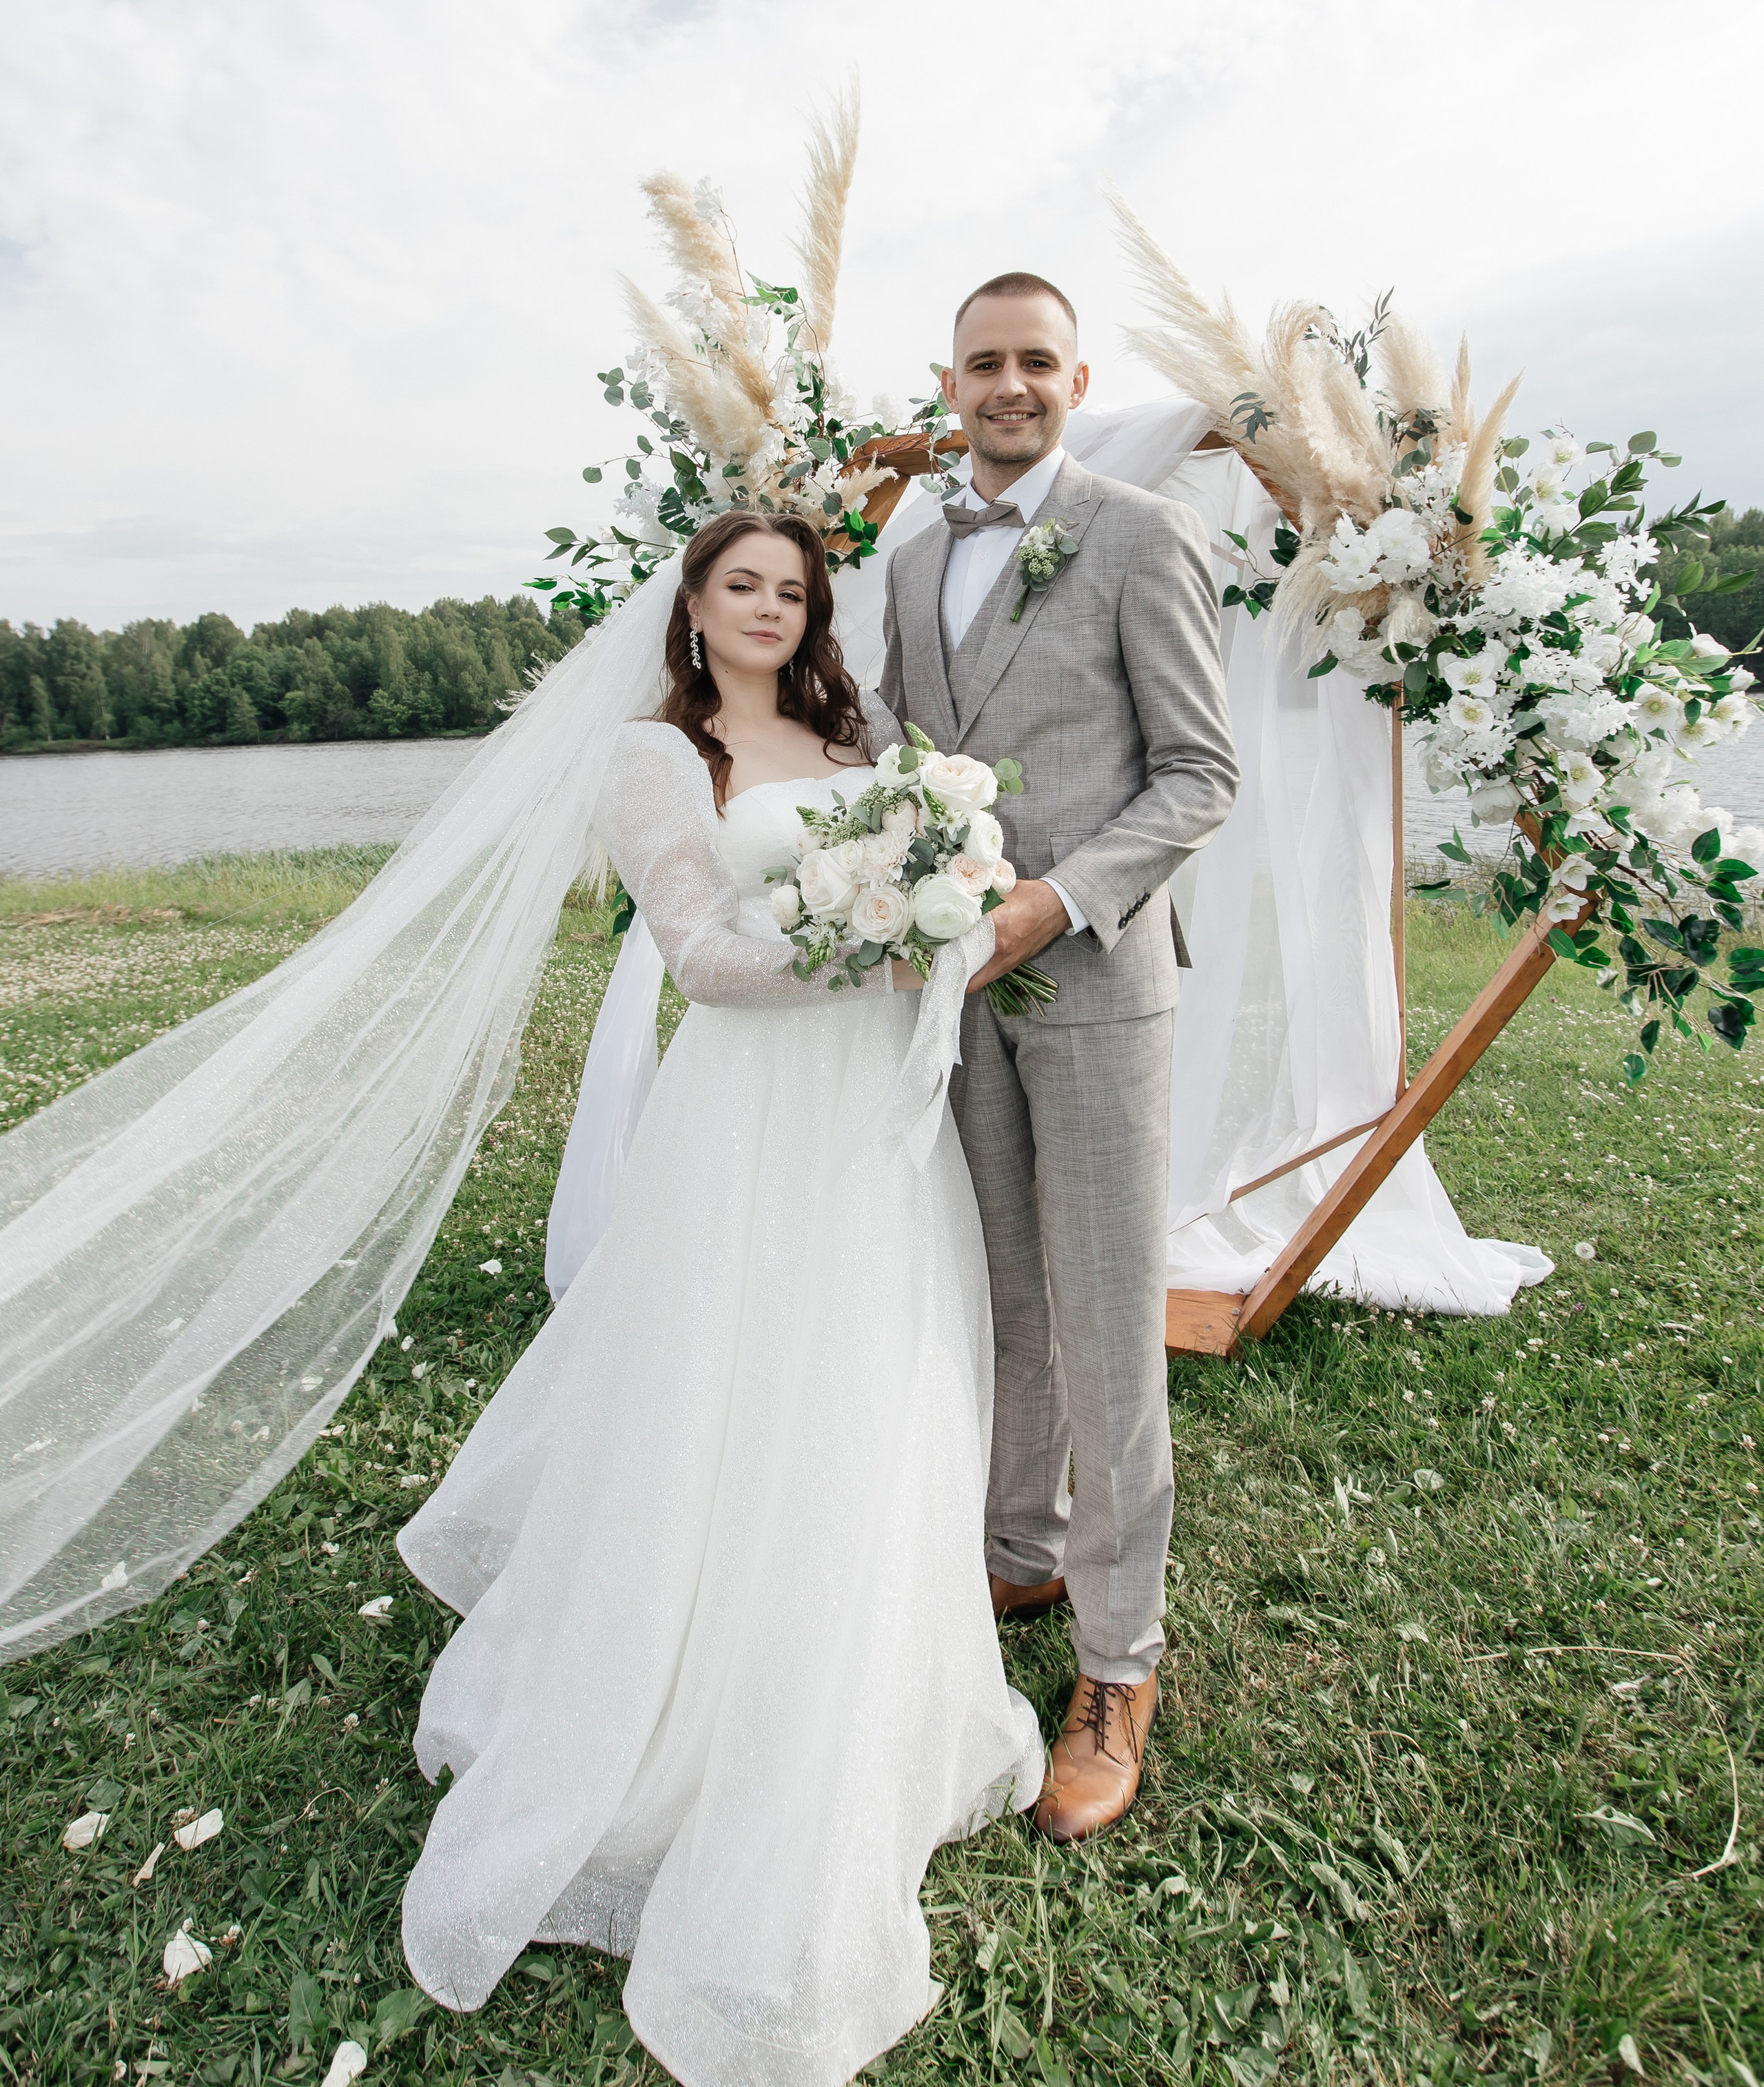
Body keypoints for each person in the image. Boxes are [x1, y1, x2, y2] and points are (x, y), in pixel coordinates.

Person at [397, 509, 1043, 2084]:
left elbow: (921, 858)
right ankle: (666, 1700)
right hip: (749, 1115)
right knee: (723, 1385)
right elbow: (696, 955)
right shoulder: (653, 756)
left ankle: (850, 1674)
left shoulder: (846, 728)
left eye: (794, 590)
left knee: (868, 1382)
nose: (769, 606)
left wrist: (938, 900)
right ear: (691, 604)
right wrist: (876, 949)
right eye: (741, 584)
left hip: (873, 1116)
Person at [881, 272, 1238, 1843]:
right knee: (997, 1295)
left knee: (1104, 1327)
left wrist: (1056, 898)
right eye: (982, 364)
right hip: (954, 1001)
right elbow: (898, 752)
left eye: (1035, 361)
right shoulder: (906, 562)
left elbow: (1198, 772)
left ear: (1076, 379)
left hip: (1094, 985)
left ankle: (1116, 1669)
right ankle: (1012, 1550)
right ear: (946, 382)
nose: (1007, 385)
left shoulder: (1143, 535)